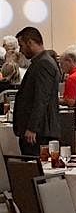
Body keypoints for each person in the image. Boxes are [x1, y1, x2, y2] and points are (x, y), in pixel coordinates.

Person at [13, 27, 59, 156]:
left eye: (21, 45)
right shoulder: (41, 62)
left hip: (39, 132)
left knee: (34, 166)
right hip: (38, 130)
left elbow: (41, 98)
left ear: (30, 42)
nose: (20, 50)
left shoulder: (43, 64)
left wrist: (32, 127)